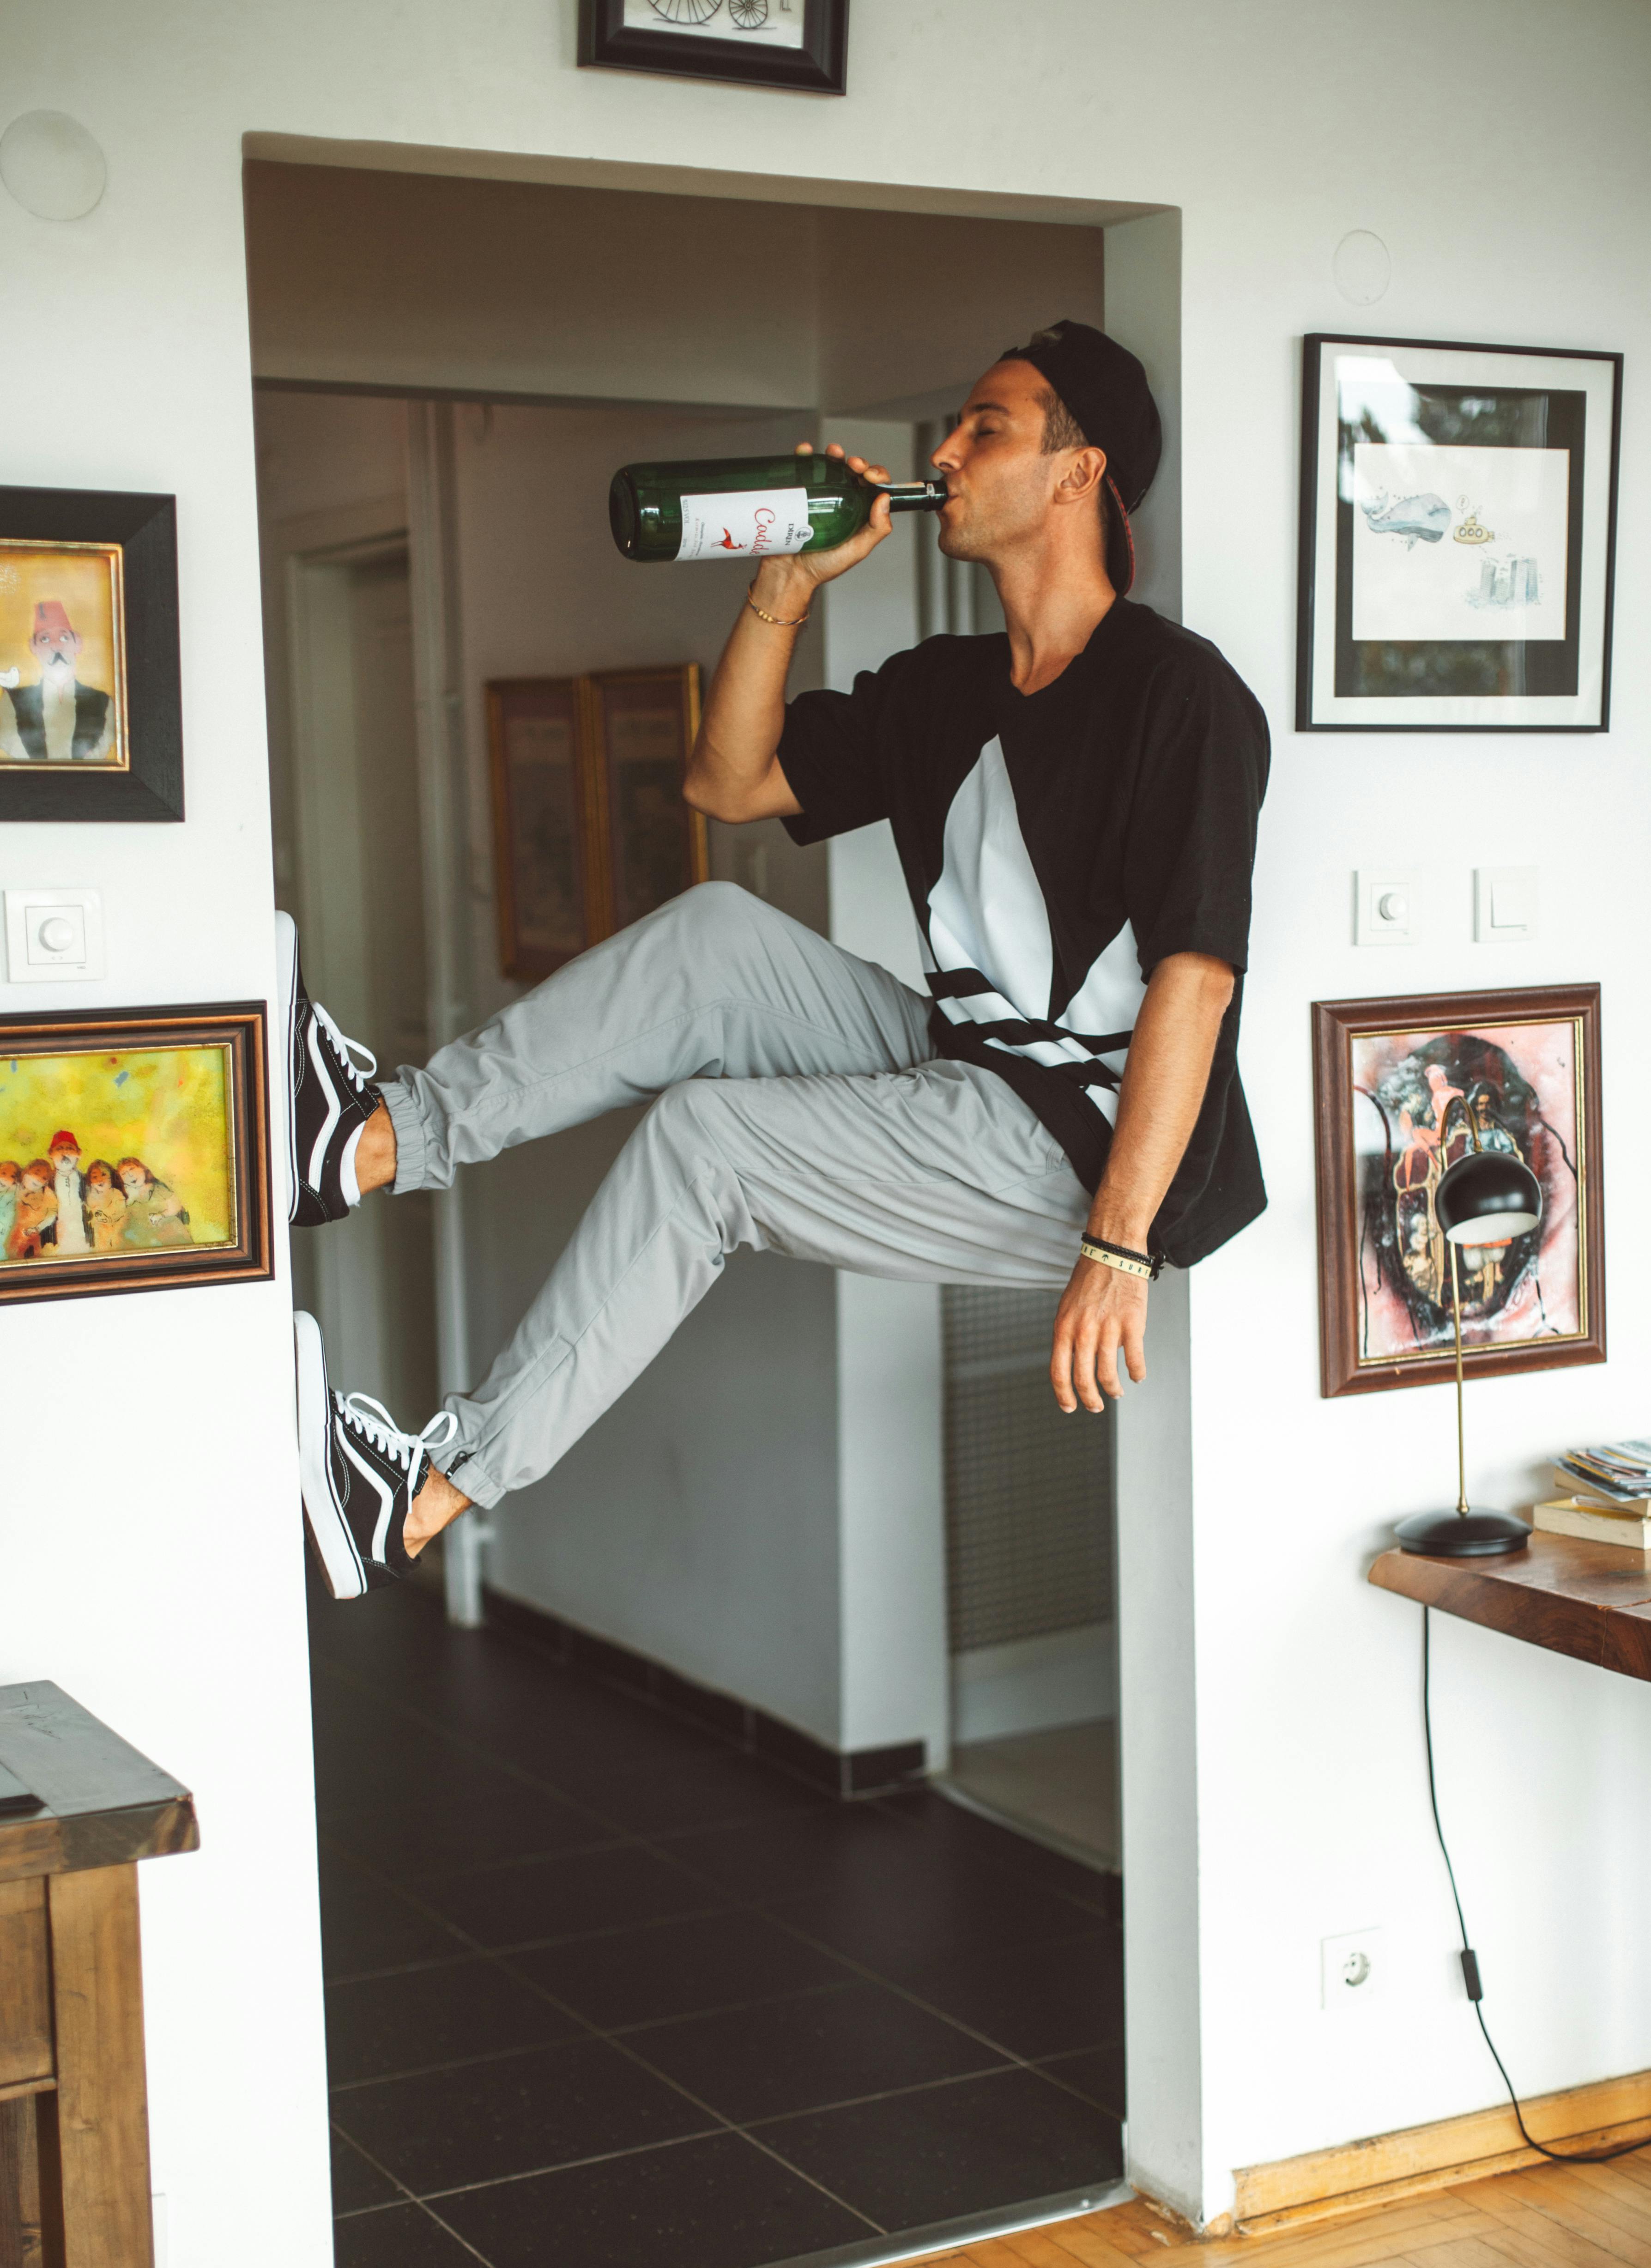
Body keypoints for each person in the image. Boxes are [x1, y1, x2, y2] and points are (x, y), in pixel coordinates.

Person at [286, 319, 1269, 1601]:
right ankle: (367, 1142)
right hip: (965, 1063)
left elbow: (1195, 979)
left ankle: (418, 1499)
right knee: (713, 938)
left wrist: (1117, 1246)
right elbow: (724, 778)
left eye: (985, 427)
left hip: (1089, 1139)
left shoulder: (1175, 694)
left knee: (707, 1142)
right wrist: (786, 585)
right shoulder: (944, 689)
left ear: (1076, 476)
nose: (944, 450)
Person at [0, 600, 115, 764]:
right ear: (33, 647)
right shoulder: (12, 700)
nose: (56, 646)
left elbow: (106, 741)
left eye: (64, 638)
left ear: (78, 644)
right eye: (45, 639)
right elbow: (7, 739)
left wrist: (76, 772)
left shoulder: (103, 702)